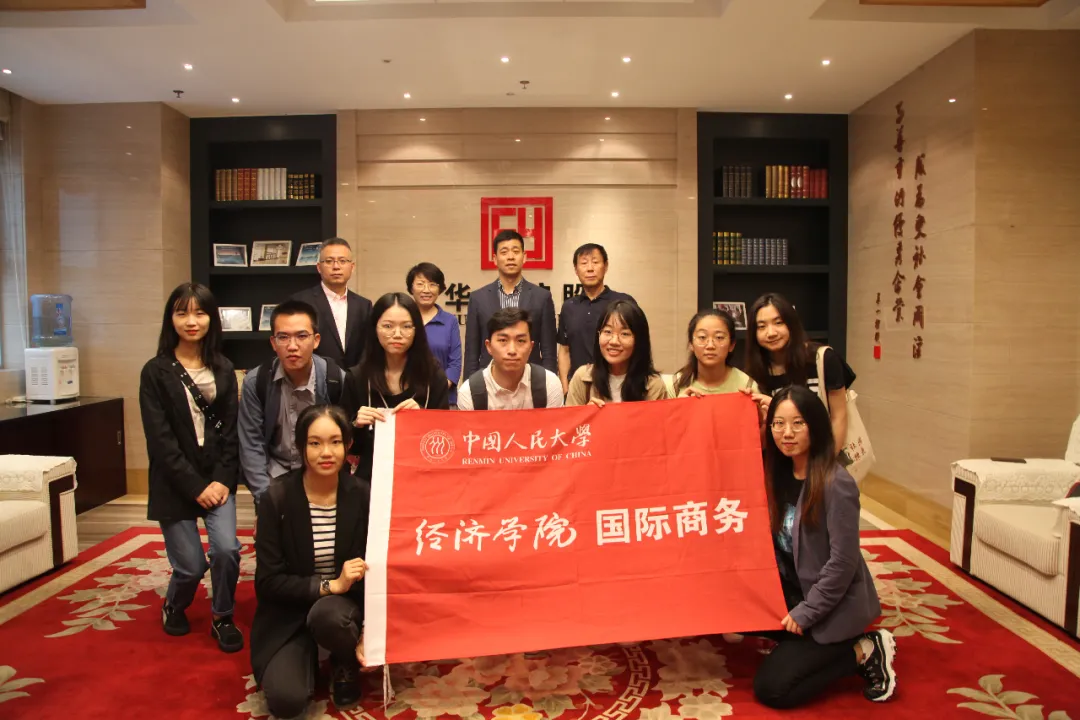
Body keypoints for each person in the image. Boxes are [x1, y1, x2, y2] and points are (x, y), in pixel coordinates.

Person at [752, 385, 896, 708]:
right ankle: (801, 645)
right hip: (794, 592)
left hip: (831, 607)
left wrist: (807, 612)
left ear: (816, 426)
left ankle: (864, 650)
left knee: (772, 688)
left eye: (798, 423)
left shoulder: (836, 482)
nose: (787, 433)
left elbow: (843, 563)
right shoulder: (776, 473)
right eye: (778, 424)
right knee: (737, 613)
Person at [138, 282, 243, 653]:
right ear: (171, 318)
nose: (191, 321)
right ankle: (174, 604)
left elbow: (231, 432)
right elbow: (160, 441)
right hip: (174, 481)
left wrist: (222, 480)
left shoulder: (224, 368)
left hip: (217, 478)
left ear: (211, 318)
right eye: (182, 312)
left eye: (199, 312)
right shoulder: (155, 372)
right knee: (191, 566)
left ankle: (222, 617)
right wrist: (195, 486)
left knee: (227, 550)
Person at [251, 405, 370, 718]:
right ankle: (305, 655)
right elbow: (267, 582)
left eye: (335, 442)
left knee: (328, 617)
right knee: (286, 701)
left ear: (348, 445)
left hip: (340, 610)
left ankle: (342, 657)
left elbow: (378, 570)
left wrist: (368, 629)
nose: (326, 452)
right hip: (288, 612)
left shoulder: (363, 495)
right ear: (301, 447)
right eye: (315, 443)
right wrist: (331, 584)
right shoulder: (276, 498)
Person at [238, 300, 351, 505]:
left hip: (323, 478)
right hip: (274, 478)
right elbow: (251, 445)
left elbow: (344, 442)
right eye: (283, 337)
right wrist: (266, 499)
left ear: (316, 340)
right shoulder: (256, 381)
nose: (292, 346)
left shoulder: (336, 379)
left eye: (301, 336)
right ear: (273, 343)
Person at [350, 292, 450, 479]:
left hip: (422, 476)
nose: (397, 334)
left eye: (406, 326)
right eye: (388, 326)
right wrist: (356, 424)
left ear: (416, 330)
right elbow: (347, 446)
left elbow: (446, 439)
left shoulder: (434, 376)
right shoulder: (357, 377)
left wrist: (424, 418)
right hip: (371, 479)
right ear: (375, 328)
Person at [744, 293, 852, 455]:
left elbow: (839, 415)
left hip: (821, 454)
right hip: (780, 460)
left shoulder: (822, 359)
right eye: (761, 326)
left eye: (778, 323)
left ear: (791, 324)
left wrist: (827, 461)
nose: (771, 332)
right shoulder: (754, 373)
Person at [463, 229, 557, 378]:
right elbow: (471, 353)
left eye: (516, 251)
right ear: (495, 259)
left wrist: (549, 383)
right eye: (504, 252)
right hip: (488, 380)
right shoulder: (478, 298)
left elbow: (549, 352)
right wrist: (471, 384)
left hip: (530, 379)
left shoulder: (542, 297)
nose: (511, 257)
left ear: (524, 257)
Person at [557, 243, 636, 394]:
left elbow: (637, 344)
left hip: (616, 386)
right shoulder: (569, 306)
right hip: (579, 387)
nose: (590, 268)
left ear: (605, 266)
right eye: (584, 263)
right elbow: (564, 350)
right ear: (576, 270)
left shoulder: (623, 302)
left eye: (595, 262)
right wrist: (565, 386)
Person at [458, 308, 564, 411]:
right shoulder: (469, 392)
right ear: (489, 346)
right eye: (503, 340)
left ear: (531, 347)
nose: (512, 350)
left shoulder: (549, 384)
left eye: (521, 341)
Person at [565, 300, 668, 406]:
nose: (614, 341)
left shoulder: (653, 386)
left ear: (639, 340)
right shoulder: (582, 378)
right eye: (608, 332)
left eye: (624, 334)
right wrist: (586, 414)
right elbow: (570, 417)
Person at [290, 238, 372, 369]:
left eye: (342, 261)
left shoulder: (364, 305)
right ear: (319, 267)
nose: (336, 267)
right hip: (315, 376)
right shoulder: (300, 301)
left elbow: (368, 347)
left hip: (354, 378)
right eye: (329, 261)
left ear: (352, 267)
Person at [407, 262, 462, 406]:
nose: (426, 290)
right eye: (420, 284)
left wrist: (436, 389)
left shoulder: (450, 321)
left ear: (440, 289)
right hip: (407, 399)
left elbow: (455, 364)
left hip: (443, 398)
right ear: (411, 288)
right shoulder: (403, 319)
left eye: (432, 284)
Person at [672, 308, 759, 397]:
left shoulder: (747, 385)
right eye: (702, 337)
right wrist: (680, 404)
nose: (710, 346)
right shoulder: (674, 385)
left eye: (719, 337)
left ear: (732, 345)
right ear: (691, 344)